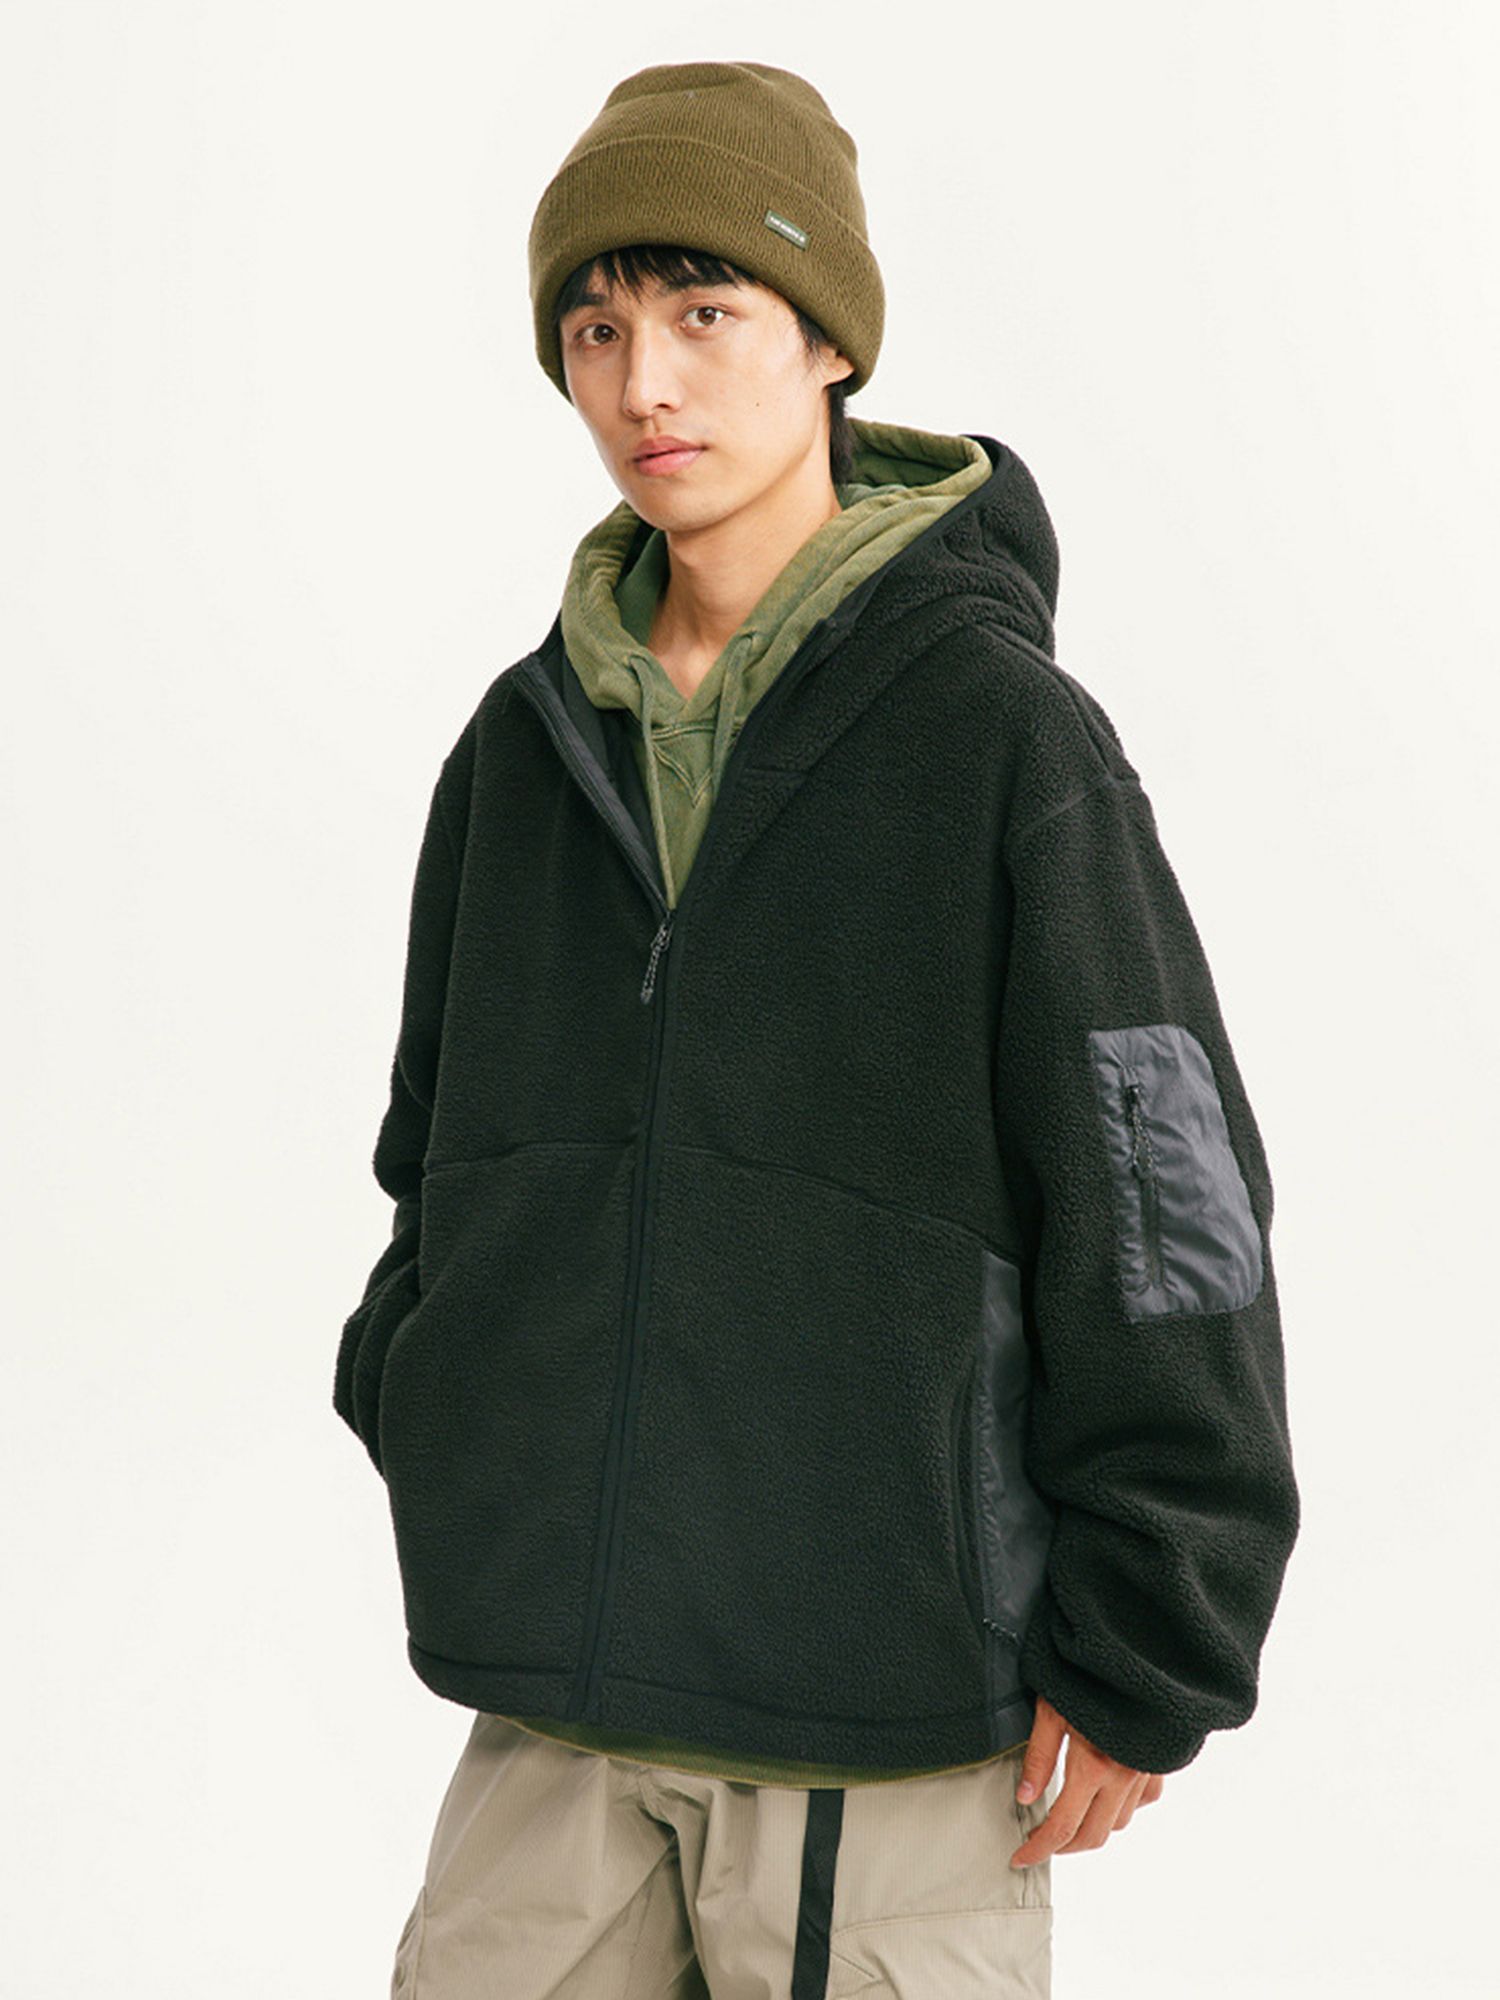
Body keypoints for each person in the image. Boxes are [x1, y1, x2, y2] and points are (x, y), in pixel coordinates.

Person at [333, 59, 1301, 2000]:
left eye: (706, 313)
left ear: (830, 342)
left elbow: (1169, 1206)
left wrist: (1156, 1633)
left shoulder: (1005, 743)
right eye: (595, 330)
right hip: (555, 1706)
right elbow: (432, 1158)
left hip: (888, 1718)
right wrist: (430, 1392)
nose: (645, 385)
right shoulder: (520, 752)